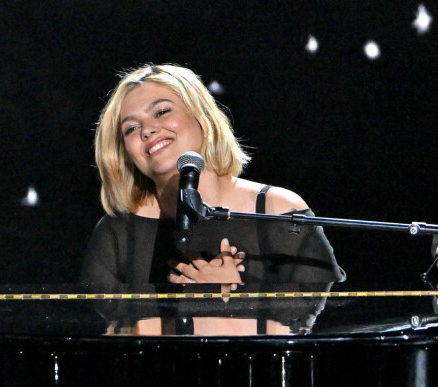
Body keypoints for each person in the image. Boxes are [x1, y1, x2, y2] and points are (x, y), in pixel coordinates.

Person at [80, 63, 345, 295]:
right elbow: (100, 331)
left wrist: (235, 298)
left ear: (202, 117)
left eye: (161, 112)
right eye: (132, 128)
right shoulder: (117, 232)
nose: (148, 130)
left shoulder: (279, 209)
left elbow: (323, 322)